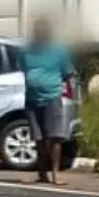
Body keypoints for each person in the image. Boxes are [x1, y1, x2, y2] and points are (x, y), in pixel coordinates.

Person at [20, 17, 78, 185]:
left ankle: (55, 173)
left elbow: (68, 71)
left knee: (54, 137)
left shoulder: (58, 50)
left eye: (43, 30)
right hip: (32, 98)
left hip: (52, 97)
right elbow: (23, 69)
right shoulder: (26, 51)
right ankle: (41, 172)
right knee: (38, 138)